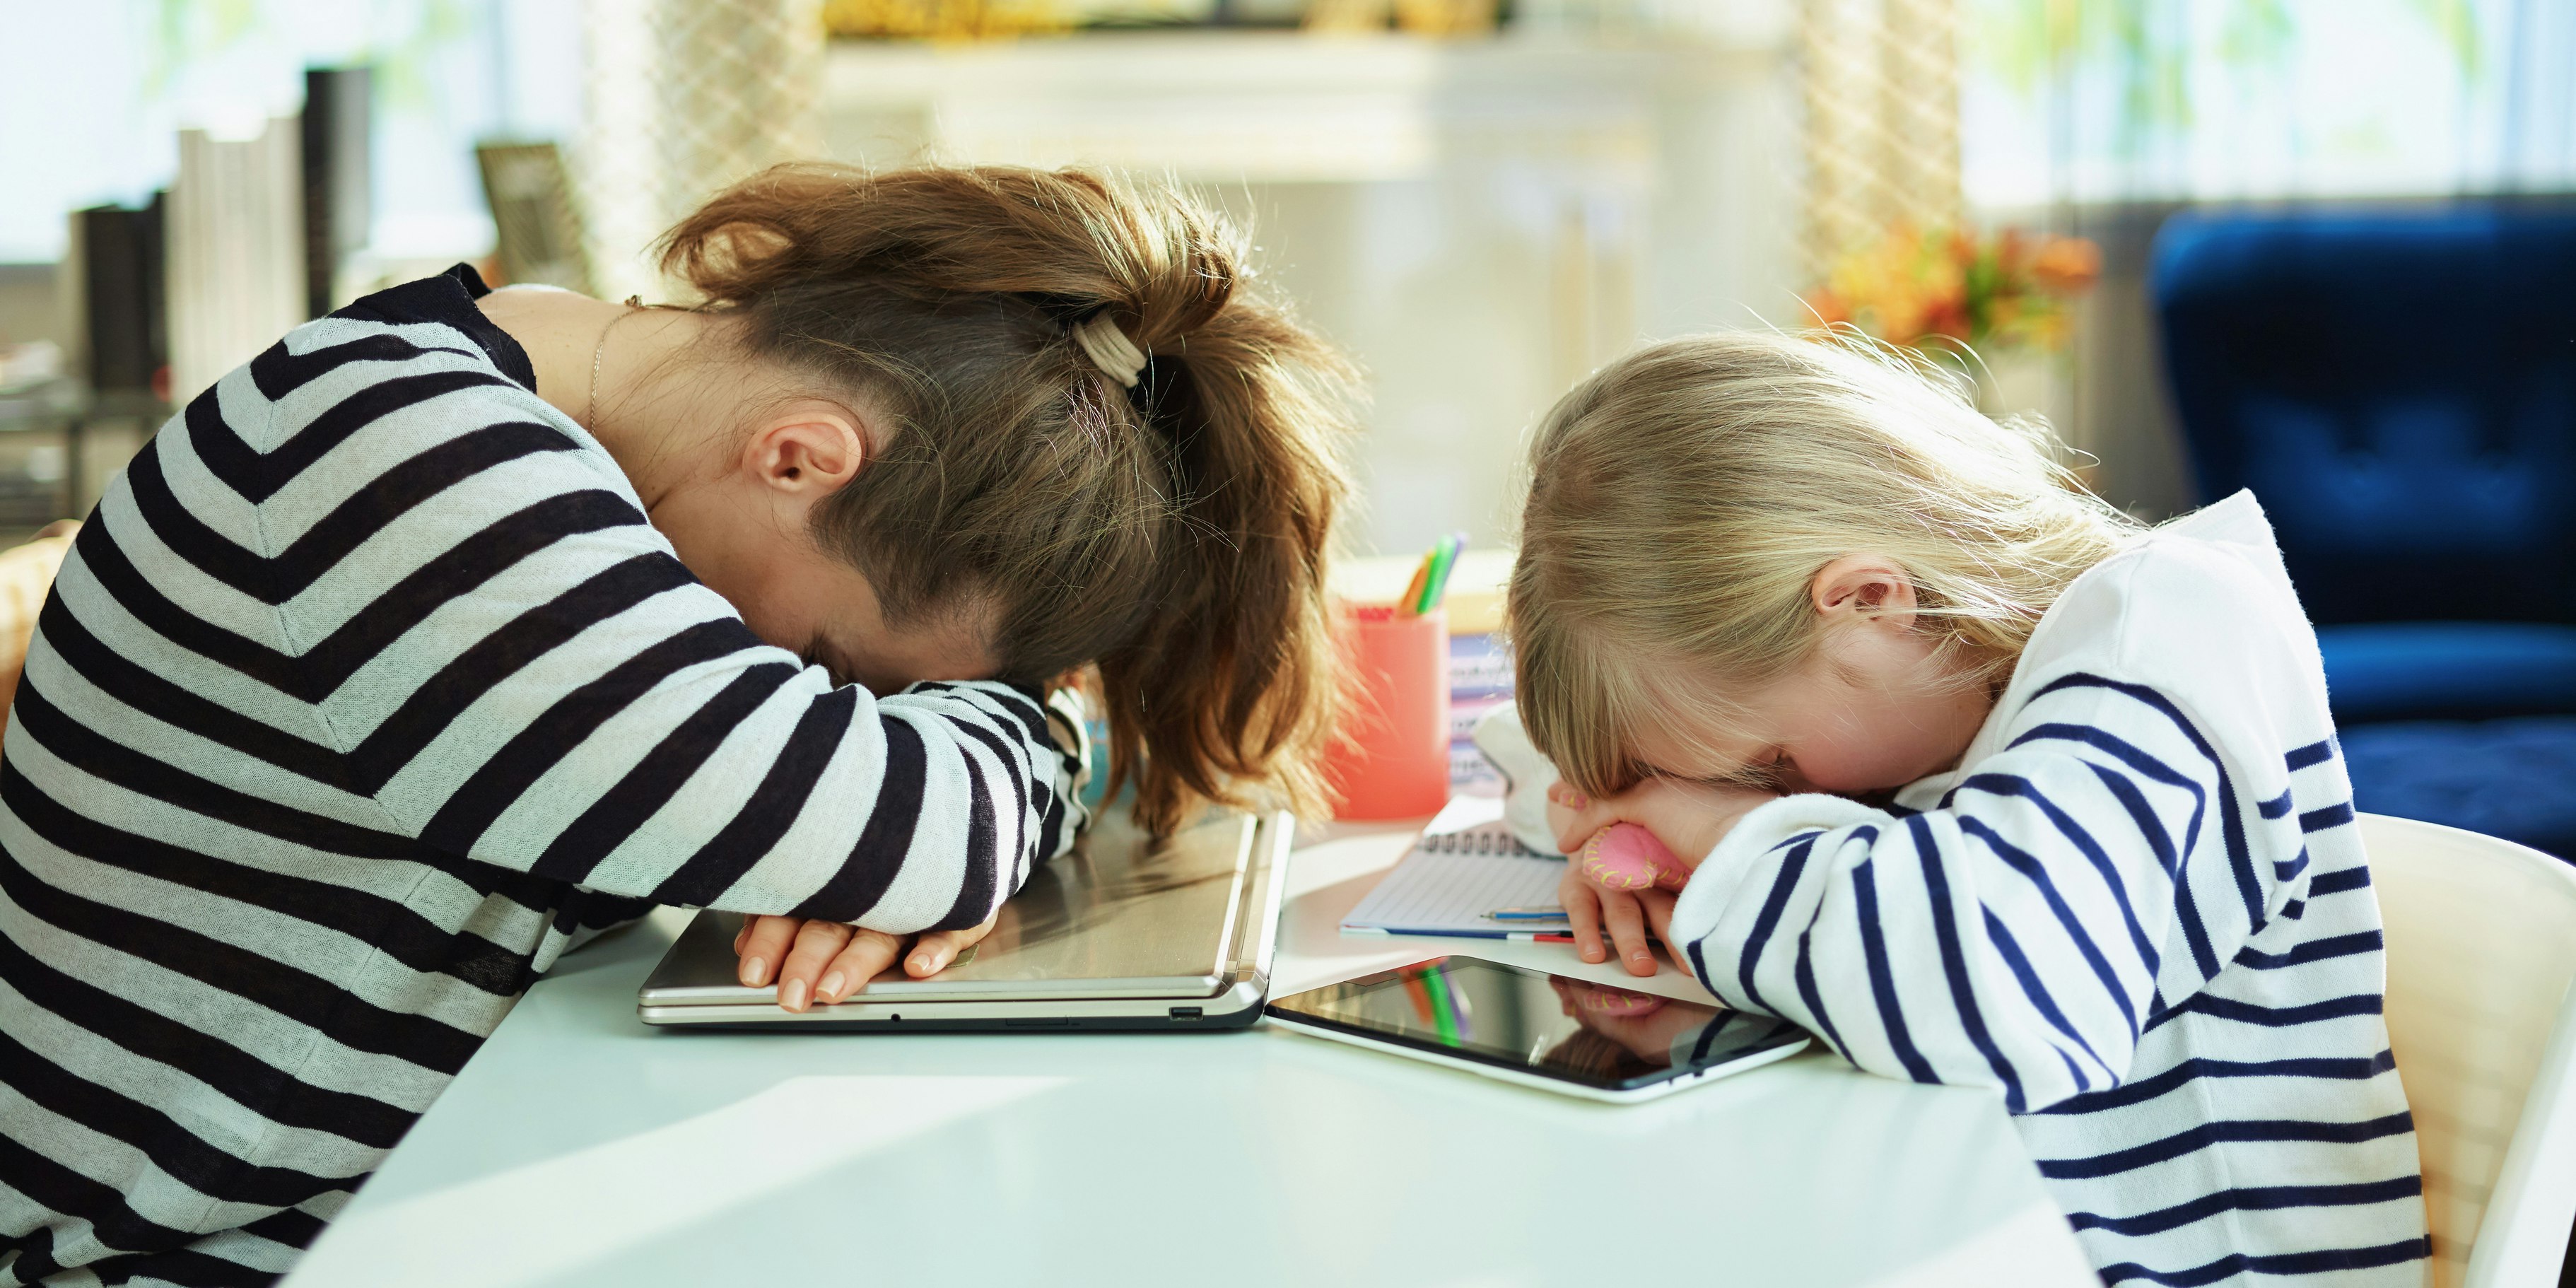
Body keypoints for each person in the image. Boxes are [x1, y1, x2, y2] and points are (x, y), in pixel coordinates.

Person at [0, 163, 1352, 1286]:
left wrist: (984, 749)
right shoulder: (410, 464)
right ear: (801, 458)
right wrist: (909, 809)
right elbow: (900, 825)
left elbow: (963, 774)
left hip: (409, 1202)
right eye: (834, 660)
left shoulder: (505, 407)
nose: (820, 695)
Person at [1512, 332, 2427, 1284]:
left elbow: (2008, 996)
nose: (1781, 804)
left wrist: (1713, 836)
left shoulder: (2168, 634)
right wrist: (1619, 823)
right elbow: (1538, 763)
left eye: (1770, 769)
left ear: (1870, 602)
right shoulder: (1926, 707)